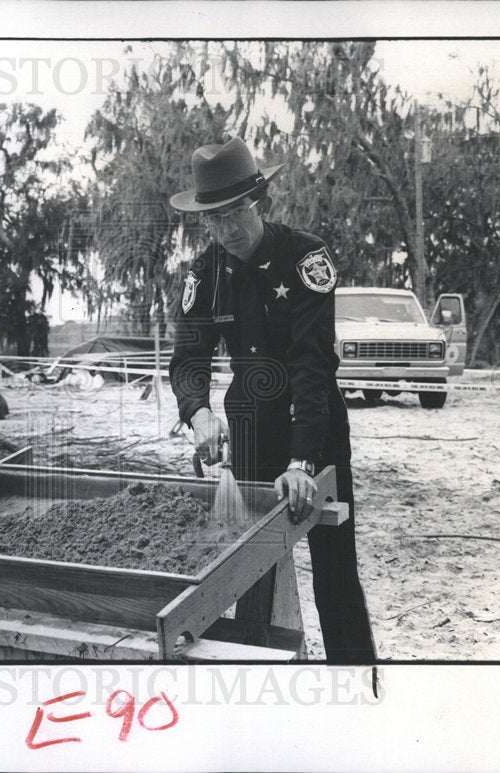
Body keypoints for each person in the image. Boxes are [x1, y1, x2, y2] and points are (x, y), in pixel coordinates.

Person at [168, 137, 376, 664]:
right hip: (252, 431)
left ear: (257, 202)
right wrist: (199, 413)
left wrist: (304, 461)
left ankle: (356, 682)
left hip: (316, 427)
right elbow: (189, 360)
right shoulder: (203, 275)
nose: (226, 230)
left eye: (235, 213)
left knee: (335, 575)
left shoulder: (305, 257)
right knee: (248, 571)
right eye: (213, 220)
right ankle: (257, 681)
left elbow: (312, 365)